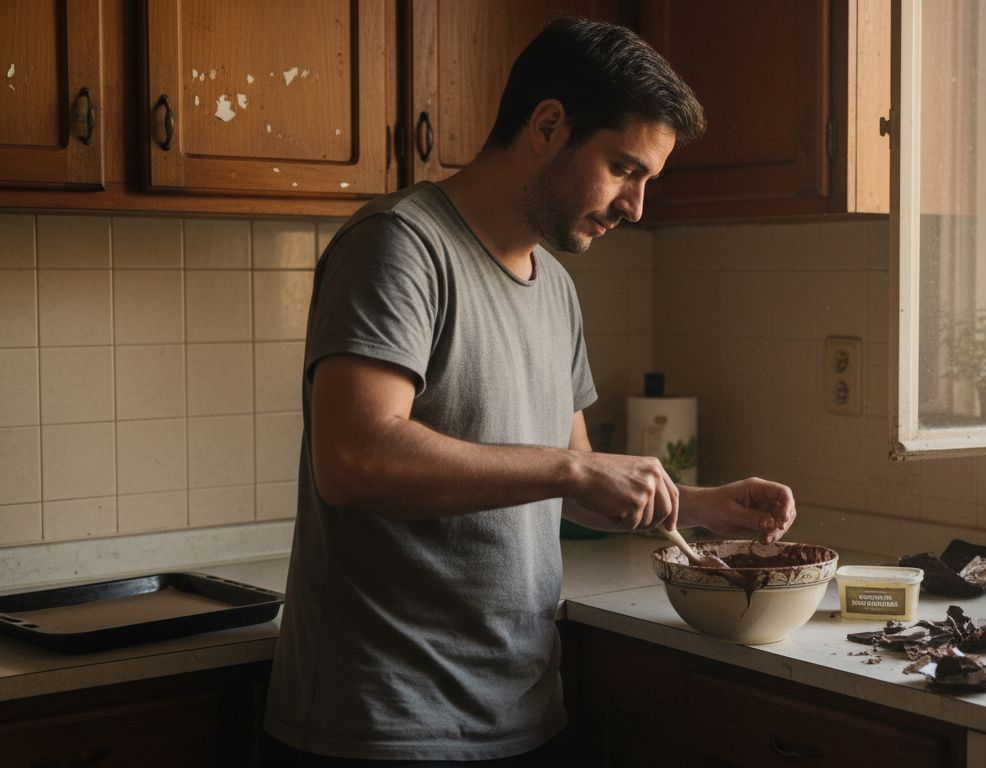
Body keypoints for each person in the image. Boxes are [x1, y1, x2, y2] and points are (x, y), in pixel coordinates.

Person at [262, 16, 797, 766]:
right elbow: (354, 460)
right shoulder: (399, 245)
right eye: (624, 169)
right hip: (385, 724)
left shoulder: (556, 289)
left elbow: (572, 489)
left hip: (523, 709)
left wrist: (700, 505)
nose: (636, 206)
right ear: (548, 126)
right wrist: (572, 469)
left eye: (647, 180)